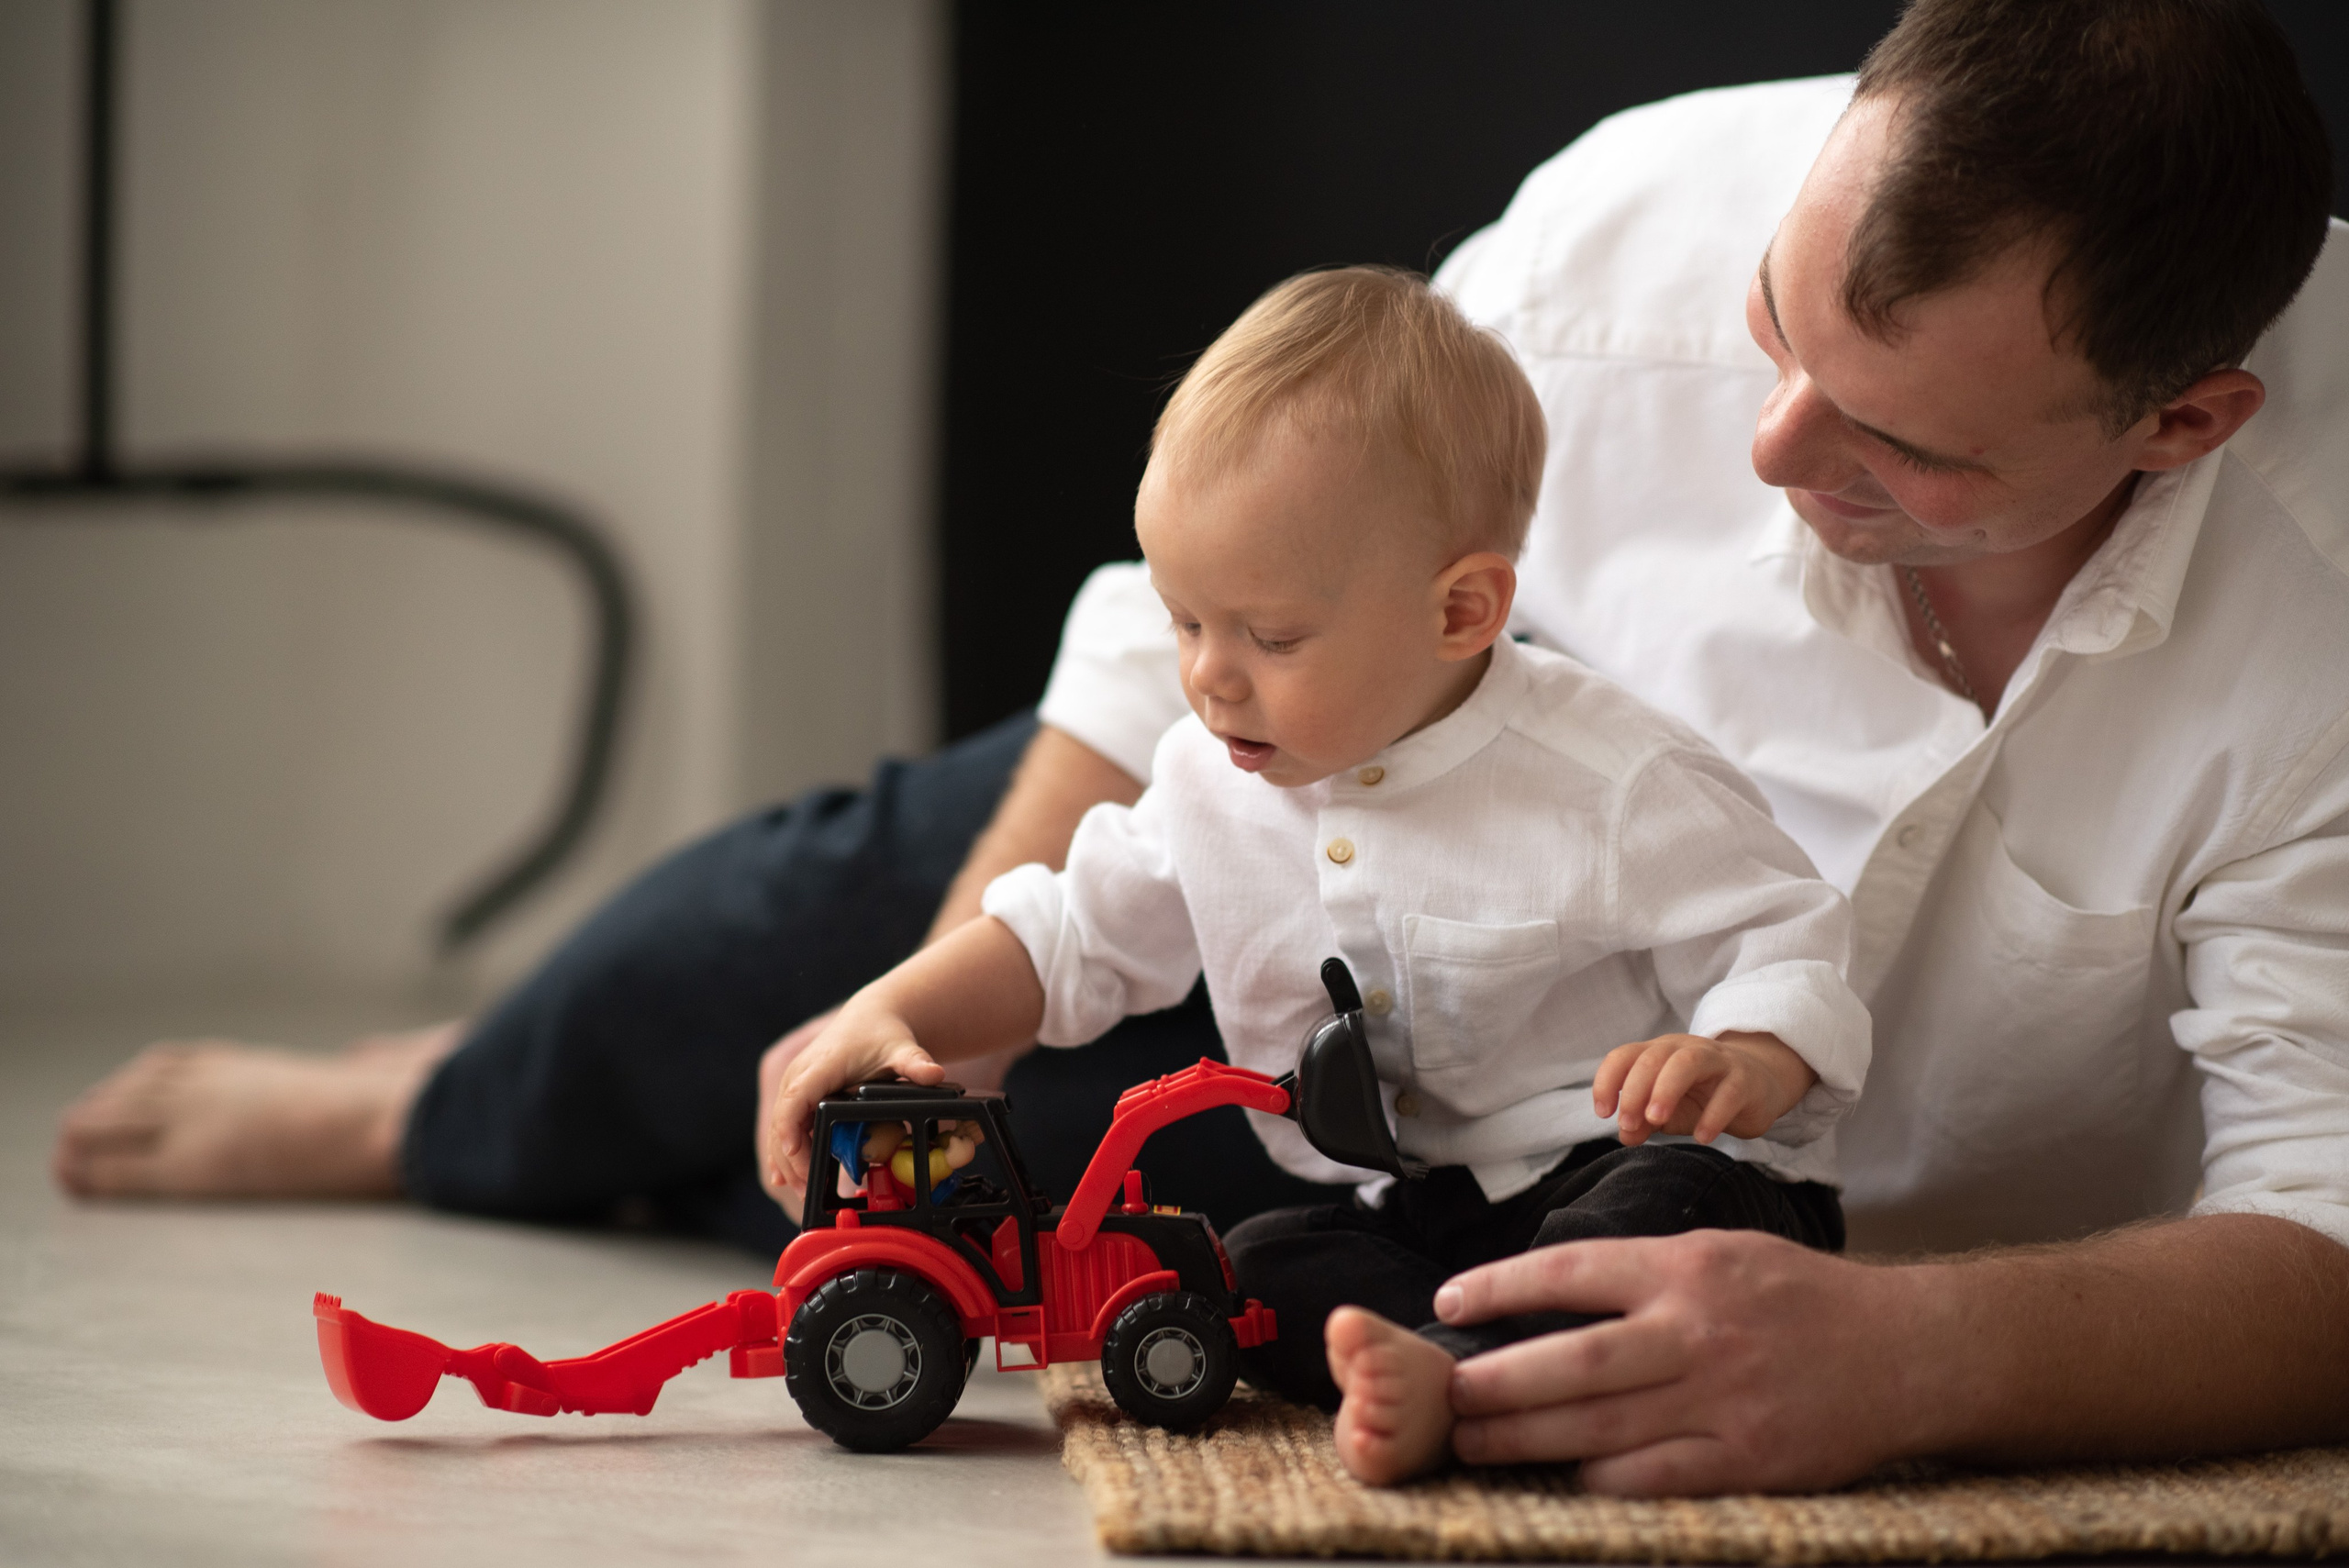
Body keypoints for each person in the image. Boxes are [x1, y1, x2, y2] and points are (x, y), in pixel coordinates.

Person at [51, 0, 2349, 1496]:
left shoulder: (2318, 602)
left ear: (2182, 419)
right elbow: (1217, 620)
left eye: (1896, 443)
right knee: (803, 966)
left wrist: (1917, 1367)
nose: (1764, 449)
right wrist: (966, 972)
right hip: (1314, 861)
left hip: (1615, 1143)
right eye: (1774, 333)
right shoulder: (1630, 228)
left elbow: (2322, 1223)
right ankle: (426, 1094)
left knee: (1179, 1206)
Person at [760, 266, 1870, 1485]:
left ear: (1461, 610)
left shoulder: (1610, 775)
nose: (1211, 678)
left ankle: (1471, 1367)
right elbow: (1065, 934)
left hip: (1641, 1164)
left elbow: (1786, 929)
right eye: (1185, 621)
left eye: (1270, 637)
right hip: (1432, 1207)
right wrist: (897, 1009)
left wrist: (1751, 1054)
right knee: (1253, 1265)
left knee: (1650, 1226)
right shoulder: (1205, 781)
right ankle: (1461, 1361)